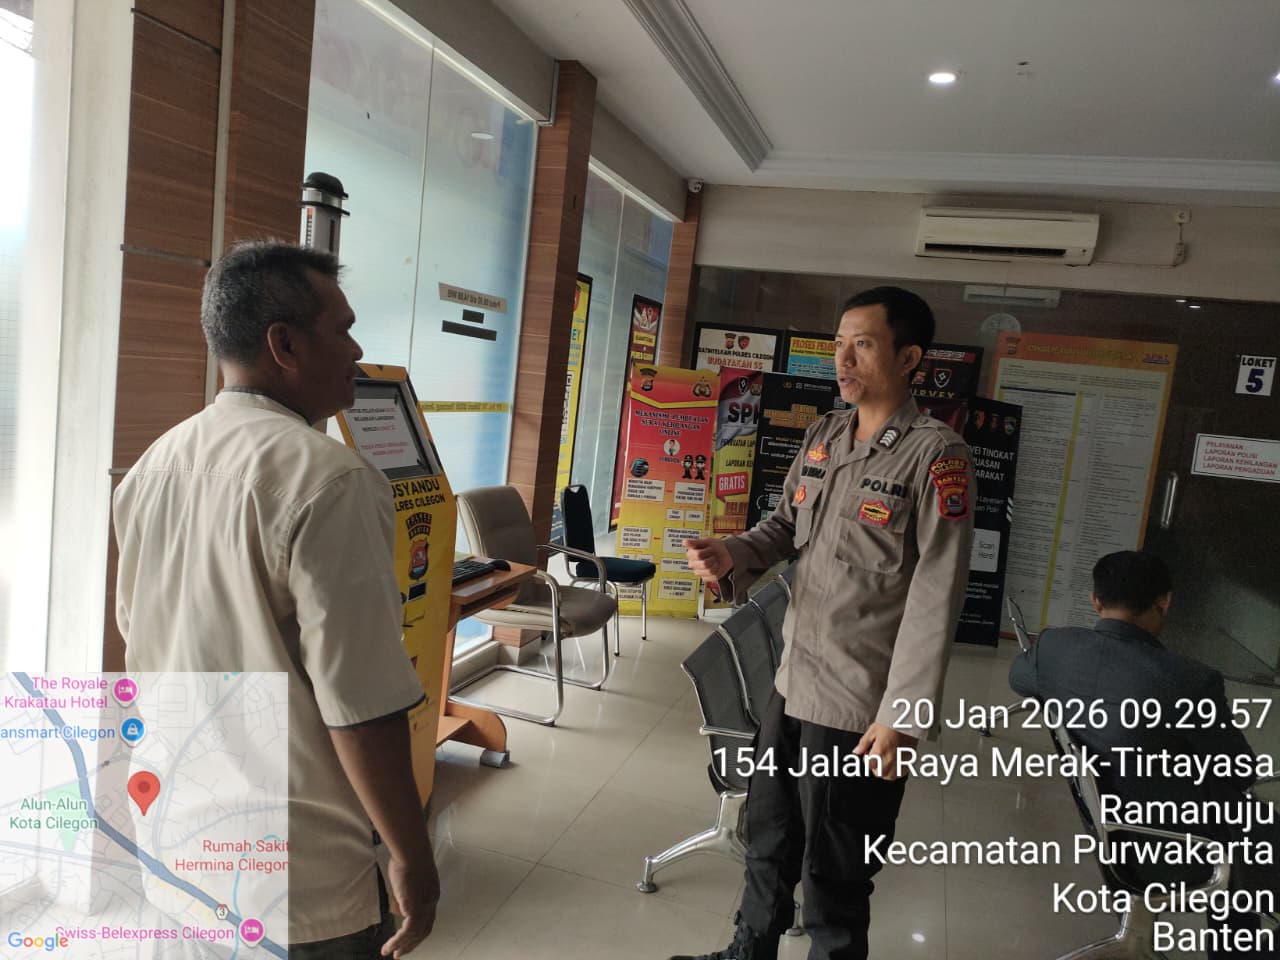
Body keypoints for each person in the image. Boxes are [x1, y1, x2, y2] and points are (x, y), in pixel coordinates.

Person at [113, 240, 439, 958]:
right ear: (283, 344)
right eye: (342, 329)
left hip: (175, 835)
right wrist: (411, 854)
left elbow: (142, 644)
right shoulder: (332, 480)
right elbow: (361, 704)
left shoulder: (150, 469)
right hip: (295, 873)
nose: (357, 350)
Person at [678, 286, 975, 960]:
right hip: (794, 682)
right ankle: (749, 950)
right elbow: (785, 528)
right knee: (768, 837)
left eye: (862, 345)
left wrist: (901, 717)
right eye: (839, 344)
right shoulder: (824, 437)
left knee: (835, 870)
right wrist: (735, 552)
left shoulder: (937, 457)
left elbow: (937, 595)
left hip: (859, 704)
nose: (842, 359)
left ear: (909, 358)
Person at [1009, 550, 1278, 959]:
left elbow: (1019, 678)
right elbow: (1240, 771)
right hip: (1175, 847)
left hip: (1111, 833)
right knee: (1248, 833)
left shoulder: (1055, 648)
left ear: (1095, 600)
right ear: (1164, 601)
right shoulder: (1190, 680)